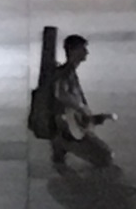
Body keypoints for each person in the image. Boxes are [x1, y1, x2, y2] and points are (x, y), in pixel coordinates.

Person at [50, 33, 116, 169]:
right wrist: (81, 107)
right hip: (70, 128)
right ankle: (63, 143)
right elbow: (61, 94)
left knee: (105, 154)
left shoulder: (70, 72)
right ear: (73, 51)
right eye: (83, 49)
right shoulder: (65, 73)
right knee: (106, 157)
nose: (86, 52)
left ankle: (62, 145)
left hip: (74, 125)